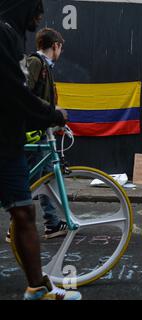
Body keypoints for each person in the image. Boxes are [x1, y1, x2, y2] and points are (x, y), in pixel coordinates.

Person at [0, 0, 81, 300]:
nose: (40, 15)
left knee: (23, 210)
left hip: (10, 140)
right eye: (37, 8)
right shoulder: (6, 35)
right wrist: (52, 114)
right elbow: (14, 91)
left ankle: (37, 287)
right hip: (7, 143)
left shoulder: (12, 35)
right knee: (23, 209)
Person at [5, 28, 68, 243]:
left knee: (47, 180)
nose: (61, 52)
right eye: (61, 47)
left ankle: (52, 224)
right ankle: (15, 227)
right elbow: (26, 95)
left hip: (42, 130)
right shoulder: (36, 63)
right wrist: (50, 114)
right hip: (33, 133)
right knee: (29, 183)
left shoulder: (46, 67)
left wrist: (54, 119)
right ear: (56, 45)